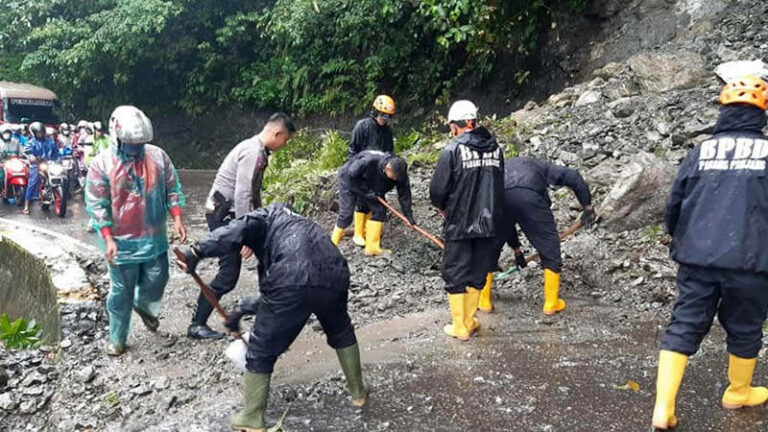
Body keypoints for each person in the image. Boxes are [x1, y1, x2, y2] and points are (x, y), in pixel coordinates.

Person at [177, 203, 367, 432]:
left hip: (292, 277)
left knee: (260, 350)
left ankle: (252, 417)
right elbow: (287, 291)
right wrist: (241, 310)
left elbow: (235, 232)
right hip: (335, 271)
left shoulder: (265, 216)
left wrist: (195, 252)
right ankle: (358, 394)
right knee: (341, 330)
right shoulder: (303, 225)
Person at [651, 76, 768, 430]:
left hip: (697, 258)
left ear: (723, 110)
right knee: (746, 327)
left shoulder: (699, 152)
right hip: (752, 260)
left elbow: (675, 204)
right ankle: (738, 392)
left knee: (685, 324)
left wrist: (680, 240)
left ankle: (663, 407)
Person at [85, 105, 186, 356]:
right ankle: (118, 338)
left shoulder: (158, 157)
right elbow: (98, 205)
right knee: (121, 292)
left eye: (140, 143)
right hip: (121, 243)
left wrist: (177, 219)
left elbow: (172, 189)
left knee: (158, 280)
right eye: (131, 143)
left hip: (154, 238)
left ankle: (144, 307)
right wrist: (107, 238)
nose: (136, 148)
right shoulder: (102, 164)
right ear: (117, 138)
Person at [187, 113, 295, 340]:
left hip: (230, 215)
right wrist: (246, 236)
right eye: (286, 139)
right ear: (277, 133)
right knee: (228, 274)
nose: (285, 145)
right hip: (224, 215)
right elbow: (242, 194)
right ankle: (196, 325)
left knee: (251, 261)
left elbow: (254, 195)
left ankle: (271, 305)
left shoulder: (259, 151)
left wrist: (261, 223)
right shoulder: (253, 152)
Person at [429, 100, 504, 341]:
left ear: (454, 126)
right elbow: (500, 185)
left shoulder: (453, 150)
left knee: (455, 272)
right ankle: (470, 320)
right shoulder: (496, 149)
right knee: (478, 272)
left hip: (459, 224)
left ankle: (459, 326)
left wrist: (443, 209)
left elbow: (437, 190)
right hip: (490, 224)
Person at [485, 157, 595, 315]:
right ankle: (551, 303)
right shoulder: (544, 168)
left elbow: (507, 224)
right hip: (530, 197)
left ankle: (484, 302)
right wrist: (587, 206)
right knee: (550, 249)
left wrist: (517, 251)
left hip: (498, 200)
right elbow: (574, 176)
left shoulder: (499, 170)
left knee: (489, 251)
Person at [330, 150, 414, 256]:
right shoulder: (368, 162)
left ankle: (372, 248)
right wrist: (366, 192)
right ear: (387, 169)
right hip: (349, 180)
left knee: (379, 211)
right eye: (394, 177)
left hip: (371, 185)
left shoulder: (400, 172)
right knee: (346, 215)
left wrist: (408, 215)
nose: (396, 180)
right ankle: (331, 247)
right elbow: (351, 176)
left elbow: (404, 194)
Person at [346, 95, 397, 244]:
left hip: (378, 172)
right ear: (375, 112)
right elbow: (353, 150)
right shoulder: (362, 126)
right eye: (382, 115)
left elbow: (389, 153)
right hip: (361, 170)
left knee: (377, 200)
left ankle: (370, 231)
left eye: (387, 116)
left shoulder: (387, 132)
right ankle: (358, 233)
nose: (384, 118)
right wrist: (354, 172)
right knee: (362, 200)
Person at [22, 122, 60, 215]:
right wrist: (31, 156)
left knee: (61, 175)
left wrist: (58, 159)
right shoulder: (31, 142)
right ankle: (26, 205)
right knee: (33, 180)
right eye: (39, 132)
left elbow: (57, 153)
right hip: (36, 164)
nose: (41, 134)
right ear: (34, 133)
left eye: (42, 132)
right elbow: (27, 151)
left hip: (49, 164)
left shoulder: (50, 141)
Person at [0, 125, 22, 191]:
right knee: (1, 176)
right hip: (2, 163)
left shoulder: (16, 142)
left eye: (8, 133)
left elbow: (22, 151)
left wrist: (25, 156)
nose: (7, 135)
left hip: (14, 163)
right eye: (5, 133)